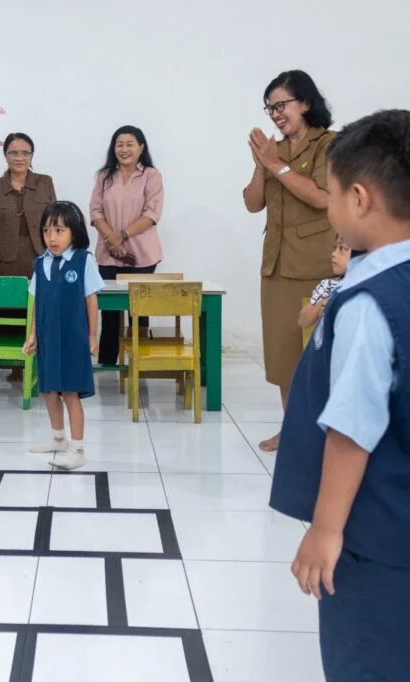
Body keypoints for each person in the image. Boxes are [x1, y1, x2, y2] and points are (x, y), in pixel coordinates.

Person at [268, 109, 410, 681]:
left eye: (329, 192)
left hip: (372, 539)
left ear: (358, 198)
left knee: (367, 659)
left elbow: (353, 427)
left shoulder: (368, 302)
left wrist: (325, 529)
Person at [243, 70, 336, 452]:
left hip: (316, 267)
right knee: (284, 357)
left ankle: (327, 436)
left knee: (318, 357)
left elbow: (322, 198)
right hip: (277, 266)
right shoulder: (274, 150)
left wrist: (277, 166)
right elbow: (253, 204)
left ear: (306, 103)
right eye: (270, 108)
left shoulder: (330, 144)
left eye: (281, 105)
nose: (275, 114)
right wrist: (261, 164)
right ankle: (293, 430)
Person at [23, 201, 103, 469]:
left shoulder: (83, 260)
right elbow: (37, 301)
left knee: (70, 393)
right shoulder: (40, 264)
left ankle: (77, 448)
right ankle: (58, 438)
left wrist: (92, 336)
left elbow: (91, 300)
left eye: (59, 231)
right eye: (46, 231)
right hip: (48, 339)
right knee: (49, 391)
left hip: (72, 338)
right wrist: (32, 335)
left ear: (74, 232)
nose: (52, 238)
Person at [0, 132, 57, 379]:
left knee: (39, 313)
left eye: (25, 153)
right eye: (13, 153)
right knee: (6, 312)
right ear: (5, 156)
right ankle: (13, 365)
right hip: (4, 263)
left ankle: (40, 366)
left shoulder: (45, 183)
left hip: (39, 260)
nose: (19, 157)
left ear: (32, 156)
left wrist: (55, 260)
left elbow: (55, 223)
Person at [88, 126, 164, 366]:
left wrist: (121, 236)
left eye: (130, 144)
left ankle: (140, 363)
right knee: (110, 312)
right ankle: (108, 363)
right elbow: (95, 211)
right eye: (119, 144)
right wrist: (111, 238)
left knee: (139, 312)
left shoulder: (151, 175)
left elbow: (152, 213)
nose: (124, 149)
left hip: (142, 255)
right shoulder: (104, 176)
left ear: (141, 147)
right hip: (108, 254)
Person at [297, 236, 351, 331]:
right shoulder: (327, 285)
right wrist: (322, 303)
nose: (333, 254)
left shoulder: (370, 284)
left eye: (341, 248)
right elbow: (303, 322)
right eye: (335, 248)